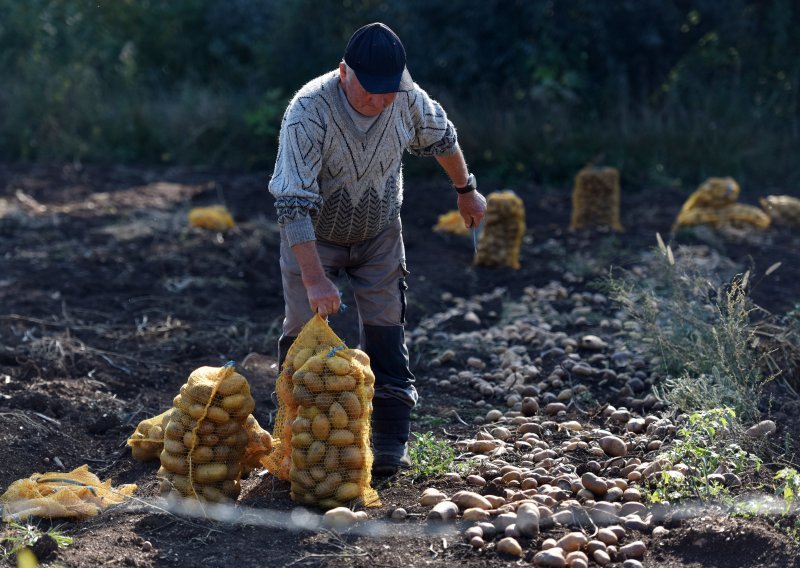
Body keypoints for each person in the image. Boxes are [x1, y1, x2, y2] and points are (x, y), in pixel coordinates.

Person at [268, 22, 486, 476]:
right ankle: (301, 443)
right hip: (314, 235)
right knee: (302, 334)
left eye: (388, 92)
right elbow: (291, 203)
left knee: (387, 330)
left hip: (380, 232)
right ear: (343, 71)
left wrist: (465, 189)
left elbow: (443, 136)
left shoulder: (404, 95)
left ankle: (389, 441)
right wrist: (314, 278)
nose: (380, 101)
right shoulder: (308, 111)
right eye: (370, 91)